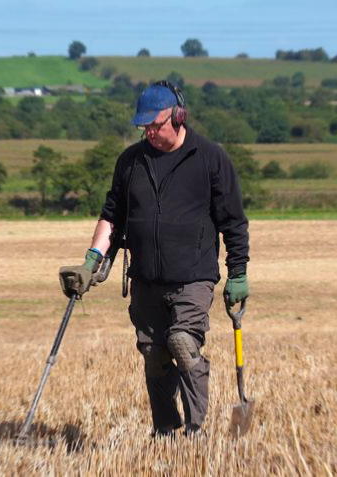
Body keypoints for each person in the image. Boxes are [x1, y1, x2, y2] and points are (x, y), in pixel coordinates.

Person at [59, 80, 250, 437]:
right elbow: (112, 216)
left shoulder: (209, 158)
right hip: (145, 278)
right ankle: (164, 429)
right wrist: (91, 261)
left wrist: (237, 273)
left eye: (156, 125)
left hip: (192, 276)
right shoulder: (131, 161)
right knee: (154, 352)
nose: (149, 132)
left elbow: (233, 221)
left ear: (179, 117)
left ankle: (196, 430)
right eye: (143, 126)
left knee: (182, 341)